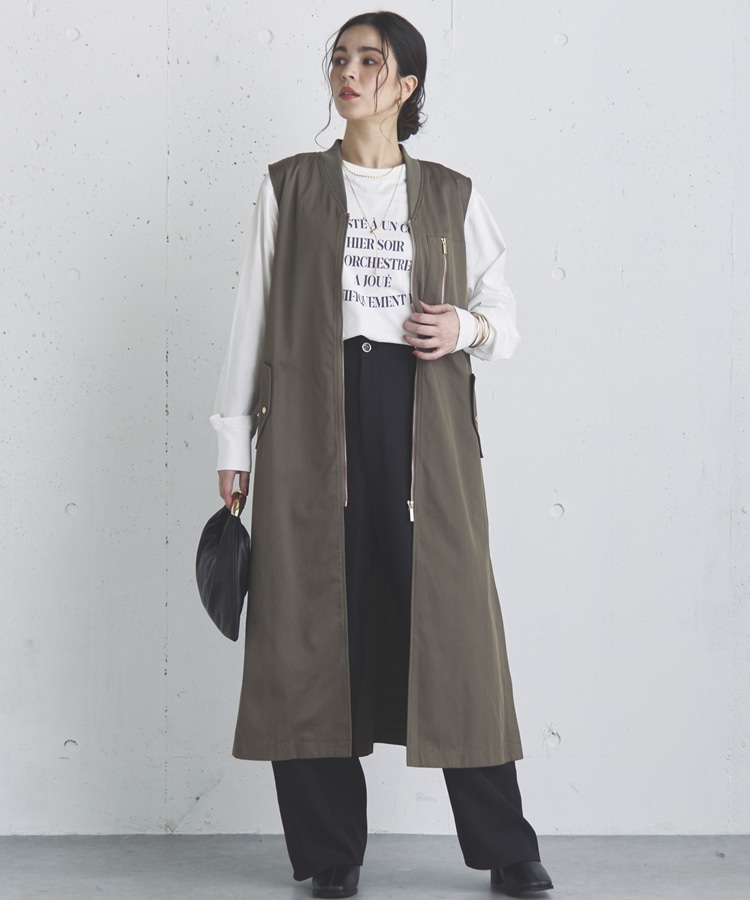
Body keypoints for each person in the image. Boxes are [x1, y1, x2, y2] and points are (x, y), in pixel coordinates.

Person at [210, 10, 553, 898]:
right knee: (306, 625)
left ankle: (507, 847)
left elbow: (505, 314)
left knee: (456, 626)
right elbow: (252, 315)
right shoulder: (290, 186)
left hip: (422, 419)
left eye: (371, 60)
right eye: (340, 58)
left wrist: (465, 328)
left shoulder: (450, 194)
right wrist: (232, 438)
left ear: (406, 87)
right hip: (308, 419)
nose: (349, 72)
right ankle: (330, 854)